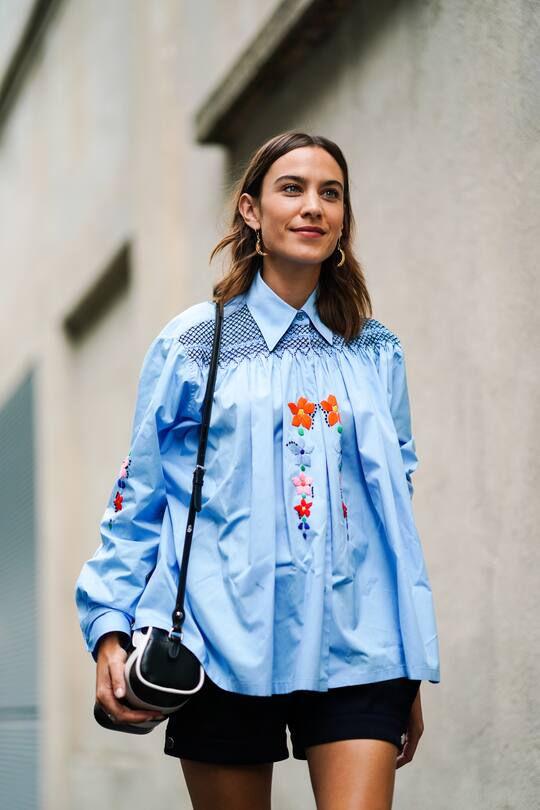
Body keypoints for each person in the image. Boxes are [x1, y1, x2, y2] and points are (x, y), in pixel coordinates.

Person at [75, 130, 440, 810]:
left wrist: (408, 666)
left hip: (360, 648)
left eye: (330, 193)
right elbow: (139, 496)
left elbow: (395, 510)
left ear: (342, 220)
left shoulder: (376, 349)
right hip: (218, 644)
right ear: (251, 212)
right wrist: (109, 627)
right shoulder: (195, 343)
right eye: (293, 189)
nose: (313, 207)